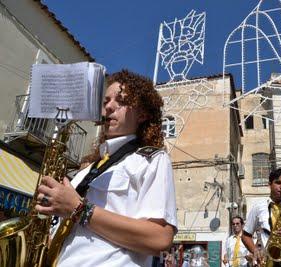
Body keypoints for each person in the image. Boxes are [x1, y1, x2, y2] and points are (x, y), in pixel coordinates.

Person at [35, 70, 177, 266]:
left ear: (142, 114)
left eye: (121, 101)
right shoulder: (87, 169)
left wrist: (79, 209)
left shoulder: (152, 159)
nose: (108, 107)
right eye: (106, 101)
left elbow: (160, 239)